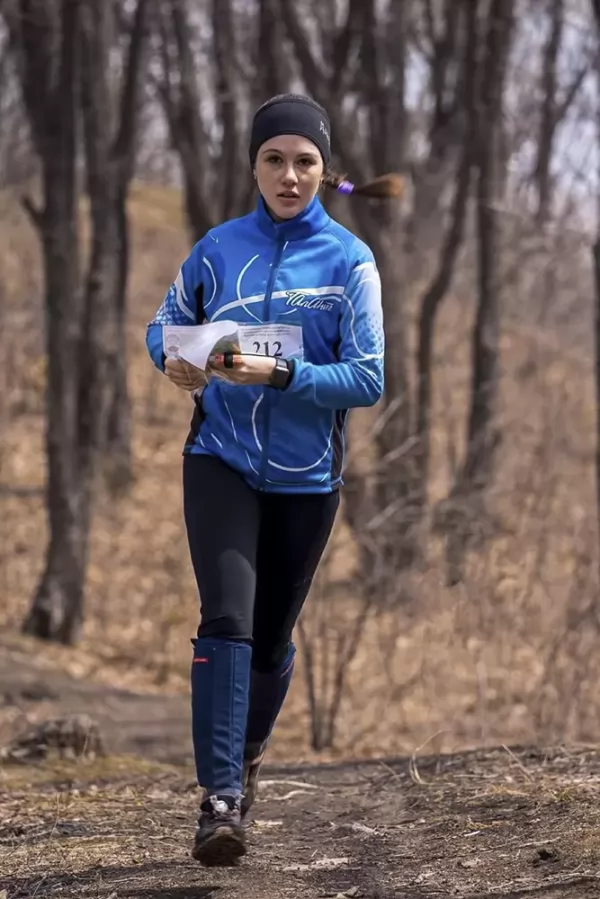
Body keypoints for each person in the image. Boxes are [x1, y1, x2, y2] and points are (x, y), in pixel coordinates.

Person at [145, 93, 402, 867]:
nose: (289, 175)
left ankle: (248, 751)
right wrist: (172, 358)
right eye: (274, 159)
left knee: (271, 641)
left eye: (304, 162)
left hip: (306, 478)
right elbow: (163, 325)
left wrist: (284, 373)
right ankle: (220, 800)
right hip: (219, 458)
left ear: (324, 172)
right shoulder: (217, 249)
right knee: (226, 617)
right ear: (254, 166)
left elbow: (367, 376)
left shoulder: (350, 262)